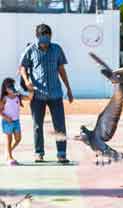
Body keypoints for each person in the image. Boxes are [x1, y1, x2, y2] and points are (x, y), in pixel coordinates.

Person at [19, 23, 74, 164]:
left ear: (51, 37)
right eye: (42, 41)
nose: (44, 44)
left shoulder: (57, 49)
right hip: (37, 95)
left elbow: (61, 69)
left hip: (55, 94)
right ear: (37, 37)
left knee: (60, 125)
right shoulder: (30, 50)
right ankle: (39, 153)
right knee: (37, 125)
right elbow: (22, 68)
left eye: (47, 40)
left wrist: (68, 88)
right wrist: (27, 81)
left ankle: (61, 154)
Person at [0, 78, 22, 166]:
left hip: (16, 121)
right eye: (9, 86)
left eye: (13, 86)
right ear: (5, 89)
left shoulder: (17, 96)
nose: (12, 88)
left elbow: (29, 97)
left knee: (18, 139)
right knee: (9, 140)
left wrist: (31, 89)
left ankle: (8, 152)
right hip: (7, 121)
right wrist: (6, 117)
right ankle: (9, 157)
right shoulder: (4, 98)